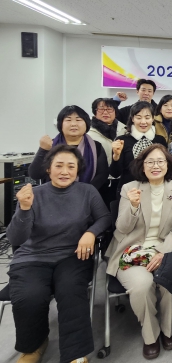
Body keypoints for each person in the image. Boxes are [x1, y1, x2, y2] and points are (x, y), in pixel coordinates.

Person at [7, 145, 111, 363]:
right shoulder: (34, 194)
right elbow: (16, 238)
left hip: (72, 255)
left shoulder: (87, 192)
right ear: (48, 169)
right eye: (59, 166)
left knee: (71, 291)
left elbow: (104, 218)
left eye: (71, 166)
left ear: (78, 170)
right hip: (32, 258)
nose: (65, 171)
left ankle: (76, 354)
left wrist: (90, 233)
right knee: (29, 296)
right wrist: (24, 208)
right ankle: (33, 347)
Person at [105, 144, 172, 359]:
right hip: (132, 249)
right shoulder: (130, 188)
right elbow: (122, 228)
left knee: (168, 282)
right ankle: (150, 335)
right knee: (142, 285)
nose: (155, 166)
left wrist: (164, 251)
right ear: (142, 166)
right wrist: (133, 206)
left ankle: (168, 329)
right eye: (150, 162)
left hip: (166, 247)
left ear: (168, 165)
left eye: (160, 161)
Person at [29, 105, 109, 191]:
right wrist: (43, 150)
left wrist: (84, 192)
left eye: (78, 120)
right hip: (53, 194)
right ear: (61, 124)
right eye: (68, 120)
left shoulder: (96, 146)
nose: (73, 124)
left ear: (86, 124)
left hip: (86, 195)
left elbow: (102, 174)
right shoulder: (50, 145)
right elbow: (35, 174)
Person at [109, 101, 168, 198]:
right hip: (129, 191)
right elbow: (115, 174)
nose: (143, 122)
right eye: (139, 117)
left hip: (156, 191)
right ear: (132, 118)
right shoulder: (122, 140)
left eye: (147, 117)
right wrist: (116, 156)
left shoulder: (160, 140)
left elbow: (166, 168)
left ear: (153, 118)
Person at [88, 98, 127, 205]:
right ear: (95, 112)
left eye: (109, 109)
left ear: (115, 112)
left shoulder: (124, 130)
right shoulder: (88, 133)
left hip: (121, 180)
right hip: (99, 180)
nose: (105, 112)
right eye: (101, 109)